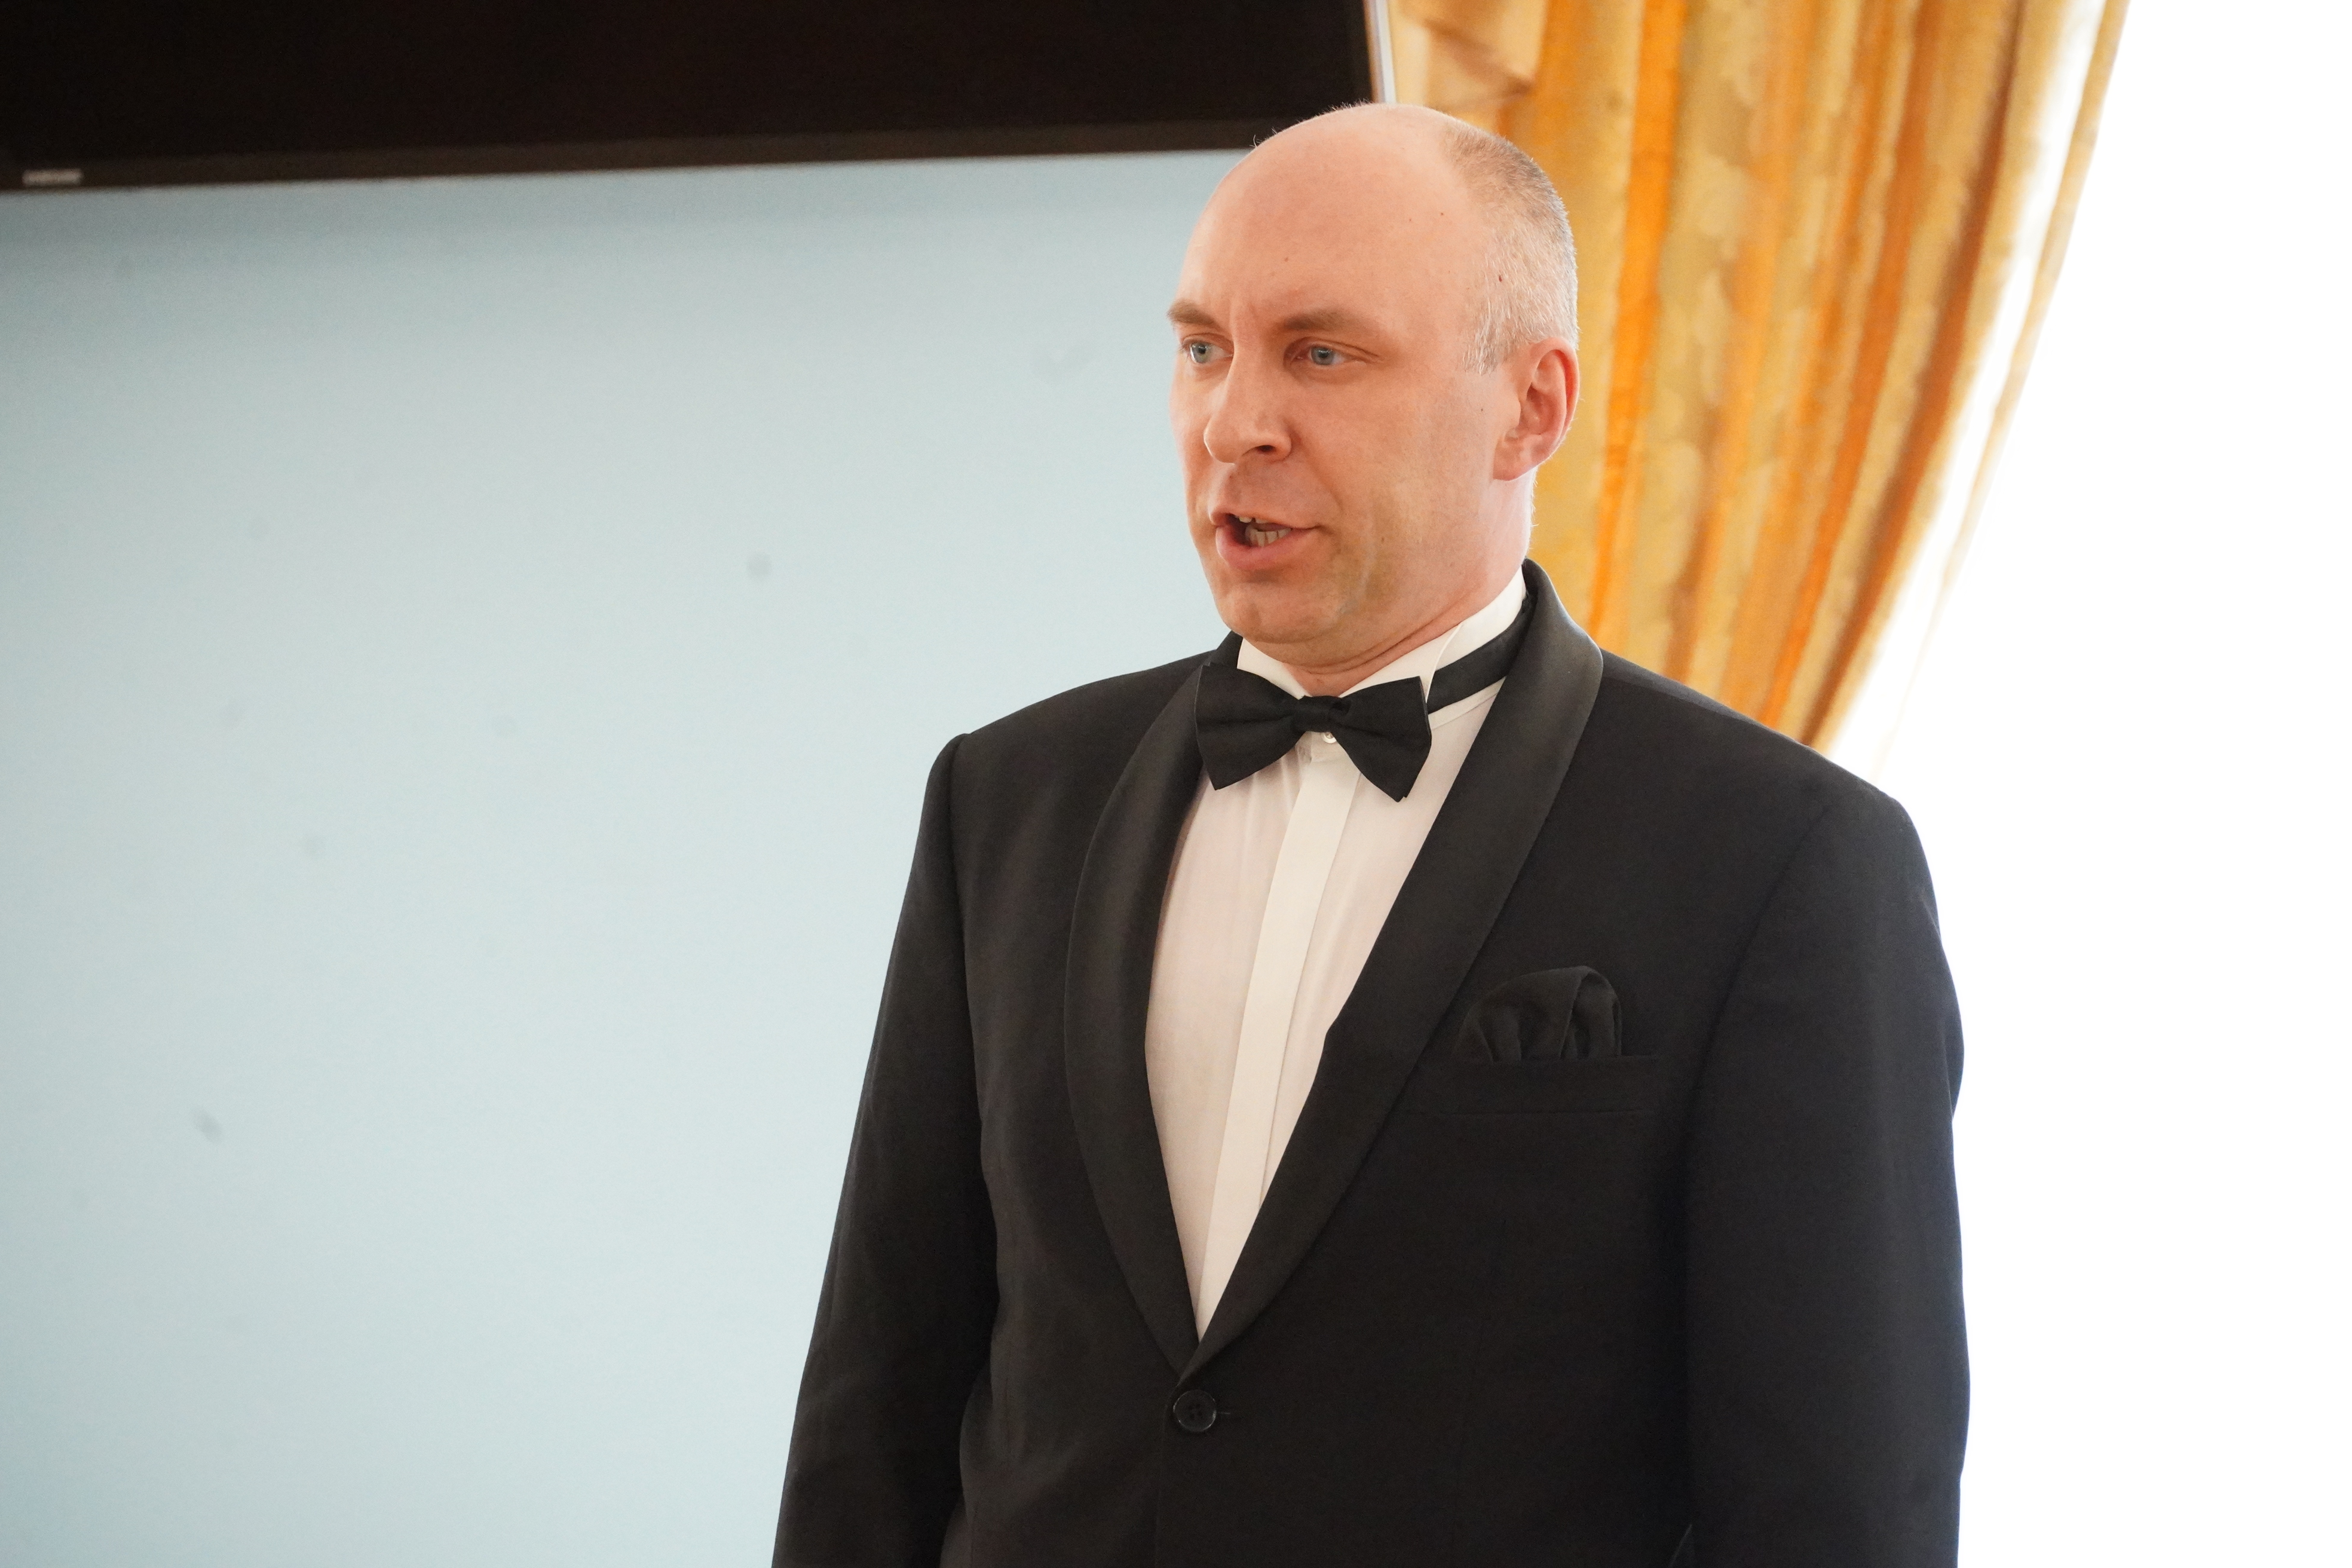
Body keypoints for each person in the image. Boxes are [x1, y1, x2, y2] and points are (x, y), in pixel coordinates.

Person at [774, 103, 1965, 1567]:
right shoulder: (1005, 796)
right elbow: (876, 1405)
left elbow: (1840, 1513)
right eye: (1203, 348)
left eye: (1322, 354)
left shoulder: (1784, 859)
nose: (1235, 422)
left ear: (1532, 407)